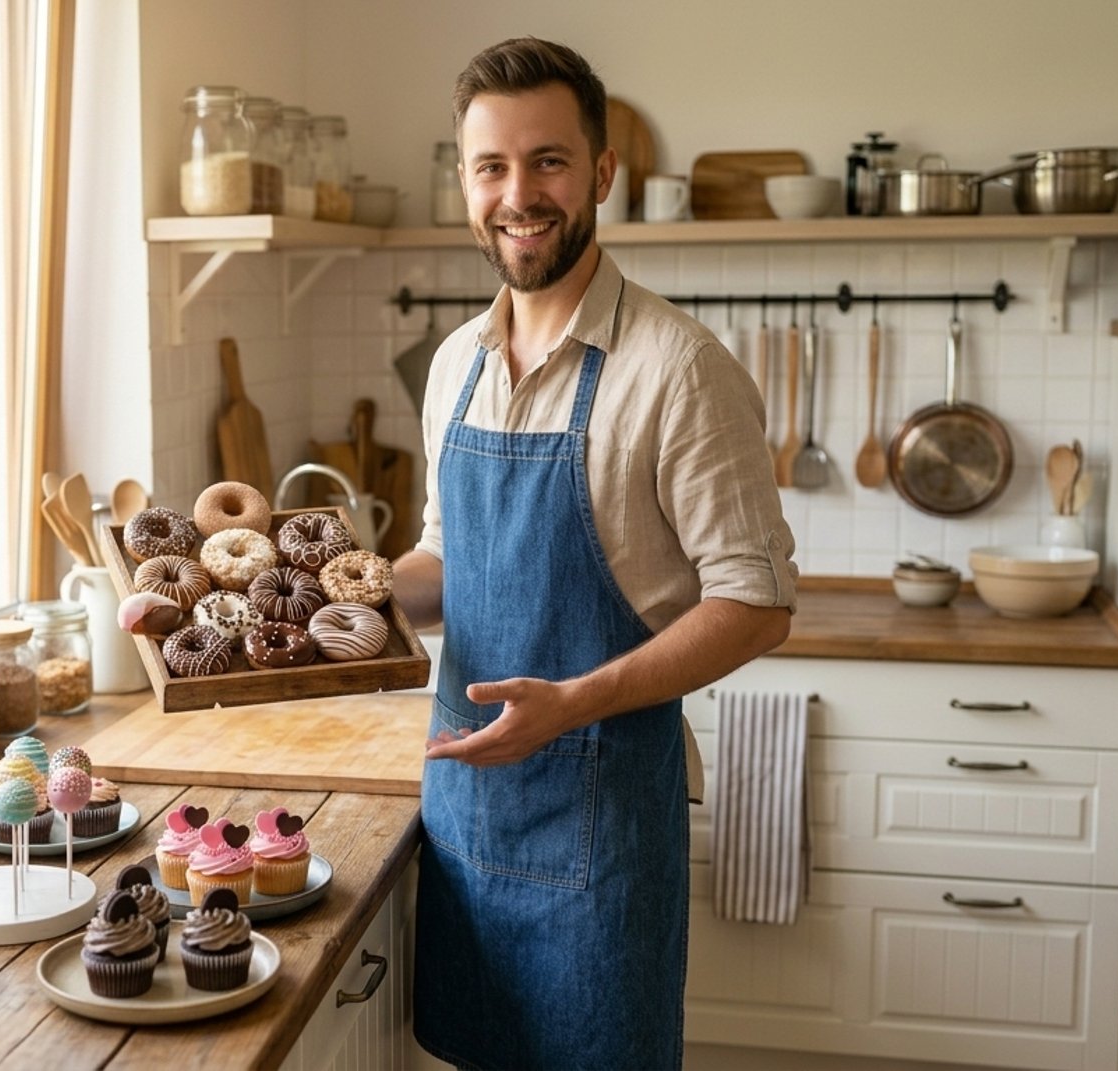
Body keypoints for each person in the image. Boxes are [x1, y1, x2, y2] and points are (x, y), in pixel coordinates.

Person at [391, 37, 799, 1071]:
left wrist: (572, 703)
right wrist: (343, 595)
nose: (518, 195)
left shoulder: (679, 370)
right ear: (465, 181)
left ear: (604, 172)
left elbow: (755, 604)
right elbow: (447, 562)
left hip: (601, 831)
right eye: (491, 167)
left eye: (549, 162)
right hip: (465, 827)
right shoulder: (455, 365)